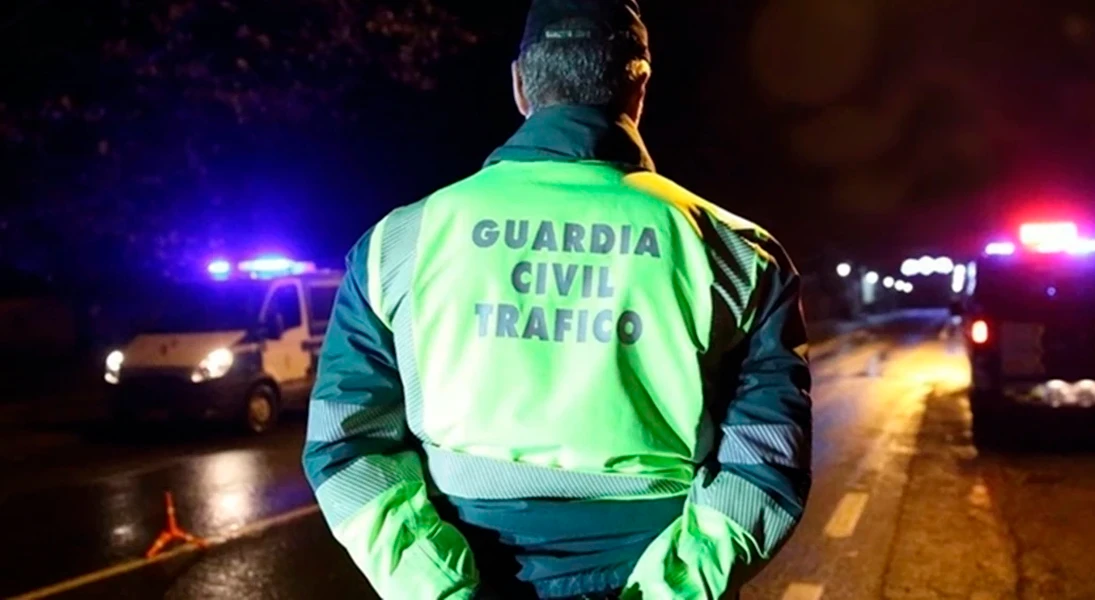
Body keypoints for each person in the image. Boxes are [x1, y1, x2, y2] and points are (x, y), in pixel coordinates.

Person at [302, 1, 812, 598]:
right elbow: (766, 458)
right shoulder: (738, 253)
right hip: (653, 560)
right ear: (640, 83)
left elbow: (345, 442)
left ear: (520, 84)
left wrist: (437, 585)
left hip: (466, 562)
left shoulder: (398, 244)